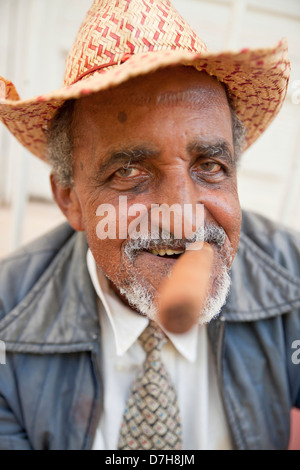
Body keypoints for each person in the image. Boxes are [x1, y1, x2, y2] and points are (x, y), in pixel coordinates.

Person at [0, 0, 299, 451]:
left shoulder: (293, 279)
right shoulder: (6, 322)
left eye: (211, 165)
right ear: (69, 198)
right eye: (129, 171)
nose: (183, 215)